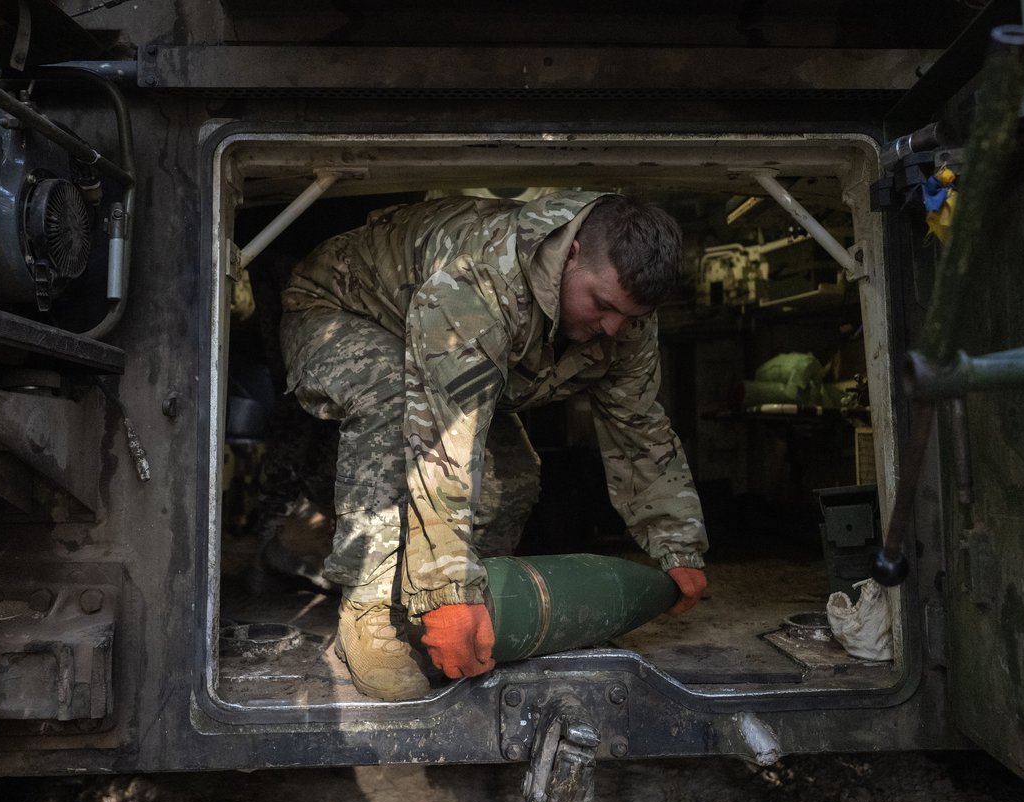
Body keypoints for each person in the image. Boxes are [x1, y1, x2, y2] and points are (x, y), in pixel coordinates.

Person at [280, 190, 709, 700]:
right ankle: (369, 614)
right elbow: (441, 445)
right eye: (602, 305)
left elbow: (638, 426)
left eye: (631, 317)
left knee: (515, 477)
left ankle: (448, 613)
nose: (614, 328)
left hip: (438, 354)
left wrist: (675, 543)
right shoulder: (479, 279)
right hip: (343, 312)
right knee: (394, 399)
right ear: (572, 254)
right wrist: (447, 590)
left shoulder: (625, 315)